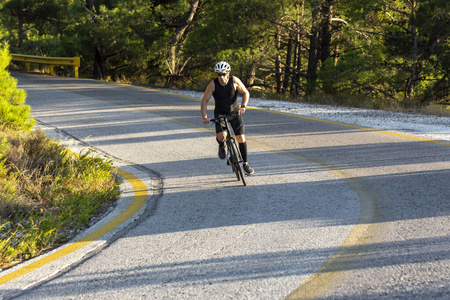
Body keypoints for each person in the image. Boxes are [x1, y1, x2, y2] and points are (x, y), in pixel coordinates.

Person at [201, 61, 254, 175]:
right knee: (222, 136)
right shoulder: (213, 84)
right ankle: (221, 145)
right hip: (220, 113)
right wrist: (204, 116)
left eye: (223, 74)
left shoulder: (234, 81)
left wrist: (243, 106)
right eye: (219, 74)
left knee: (241, 138)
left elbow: (245, 93)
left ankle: (245, 163)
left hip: (234, 112)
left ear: (228, 73)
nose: (221, 77)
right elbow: (204, 101)